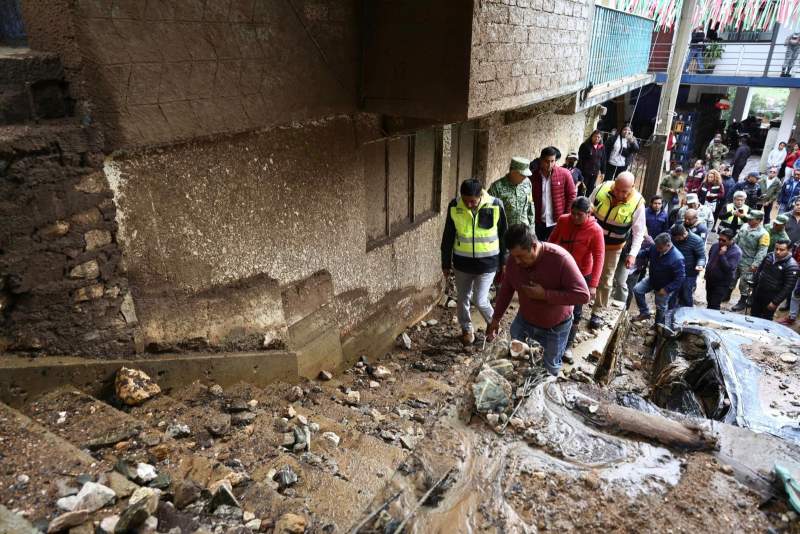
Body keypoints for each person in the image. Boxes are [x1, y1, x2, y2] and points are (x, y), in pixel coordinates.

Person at [486, 224, 590, 377]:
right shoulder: (514, 261)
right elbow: (507, 290)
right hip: (525, 320)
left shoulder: (561, 259)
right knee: (517, 358)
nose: (517, 261)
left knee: (550, 368)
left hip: (555, 327)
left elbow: (583, 295)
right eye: (513, 256)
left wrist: (545, 295)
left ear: (534, 246)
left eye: (520, 256)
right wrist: (496, 318)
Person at [441, 179, 508, 345]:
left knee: (480, 299)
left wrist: (504, 261)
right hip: (462, 263)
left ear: (481, 195)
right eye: (466, 200)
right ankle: (466, 329)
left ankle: (493, 326)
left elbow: (503, 235)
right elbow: (448, 236)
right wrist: (445, 263)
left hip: (488, 263)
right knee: (462, 298)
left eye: (473, 201)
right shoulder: (455, 206)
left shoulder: (495, 204)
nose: (469, 204)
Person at [587, 172, 646, 329]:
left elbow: (639, 232)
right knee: (583, 270)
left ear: (632, 188)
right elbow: (588, 206)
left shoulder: (637, 203)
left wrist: (633, 254)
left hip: (613, 247)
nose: (620, 194)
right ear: (614, 184)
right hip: (590, 241)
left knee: (606, 278)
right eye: (617, 189)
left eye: (624, 191)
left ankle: (597, 312)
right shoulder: (601, 189)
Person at [548, 197, 605, 354]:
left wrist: (593, 285)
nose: (575, 217)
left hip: (582, 273)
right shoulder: (563, 220)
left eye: (579, 214)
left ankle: (568, 345)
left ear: (588, 213)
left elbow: (599, 257)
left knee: (576, 310)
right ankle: (551, 337)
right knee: (555, 302)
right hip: (561, 269)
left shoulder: (595, 230)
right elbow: (551, 241)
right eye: (572, 213)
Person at [631, 233, 685, 325]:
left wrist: (667, 289)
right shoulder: (655, 248)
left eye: (660, 248)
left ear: (668, 245)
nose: (657, 249)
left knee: (660, 307)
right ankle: (644, 313)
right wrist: (632, 255)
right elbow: (646, 252)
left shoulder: (677, 259)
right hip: (652, 279)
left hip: (665, 286)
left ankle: (658, 326)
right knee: (637, 290)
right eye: (656, 247)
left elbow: (680, 278)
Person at [530, 146, 576, 241]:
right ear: (541, 160)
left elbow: (571, 195)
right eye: (547, 161)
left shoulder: (564, 174)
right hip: (539, 222)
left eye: (552, 161)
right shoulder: (533, 176)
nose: (550, 165)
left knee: (554, 249)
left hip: (556, 222)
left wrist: (566, 216)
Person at [731, 210, 770, 312]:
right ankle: (727, 294)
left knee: (744, 282)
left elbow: (762, 251)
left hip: (749, 262)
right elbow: (736, 238)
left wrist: (755, 264)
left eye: (752, 219)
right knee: (732, 277)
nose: (749, 220)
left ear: (759, 220)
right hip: (737, 257)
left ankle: (742, 301)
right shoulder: (744, 226)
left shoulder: (763, 234)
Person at [750, 239, 798, 320]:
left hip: (772, 297)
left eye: (781, 250)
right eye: (776, 249)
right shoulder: (769, 256)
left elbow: (788, 288)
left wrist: (775, 302)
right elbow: (759, 270)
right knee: (754, 314)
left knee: (766, 319)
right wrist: (754, 284)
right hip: (759, 291)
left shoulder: (792, 266)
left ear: (789, 250)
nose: (778, 252)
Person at [488, 157, 535, 229]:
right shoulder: (496, 187)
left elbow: (530, 207)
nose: (525, 178)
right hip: (505, 233)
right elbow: (489, 213)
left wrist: (532, 230)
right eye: (522, 175)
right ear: (512, 171)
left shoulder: (527, 183)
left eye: (526, 175)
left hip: (524, 232)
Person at [669, 223, 705, 307]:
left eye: (678, 238)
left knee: (686, 295)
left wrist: (700, 264)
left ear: (684, 234)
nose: (676, 240)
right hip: (674, 272)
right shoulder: (672, 238)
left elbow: (701, 256)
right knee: (672, 294)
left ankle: (687, 314)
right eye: (675, 238)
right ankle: (669, 313)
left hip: (689, 273)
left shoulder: (697, 240)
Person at [705, 229, 742, 310]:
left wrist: (722, 255)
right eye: (719, 239)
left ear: (731, 240)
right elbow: (710, 259)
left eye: (723, 240)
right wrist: (706, 274)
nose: (720, 242)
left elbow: (729, 269)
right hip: (710, 279)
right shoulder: (715, 245)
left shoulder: (736, 252)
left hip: (721, 283)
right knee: (709, 301)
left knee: (714, 305)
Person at [578, 130, 606, 197]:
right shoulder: (585, 146)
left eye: (599, 137)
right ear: (591, 137)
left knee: (590, 189)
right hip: (585, 172)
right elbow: (581, 159)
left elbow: (603, 160)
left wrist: (603, 172)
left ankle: (587, 202)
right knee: (582, 189)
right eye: (595, 136)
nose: (597, 138)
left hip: (595, 172)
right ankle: (579, 202)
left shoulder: (601, 147)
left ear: (601, 138)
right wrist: (580, 172)